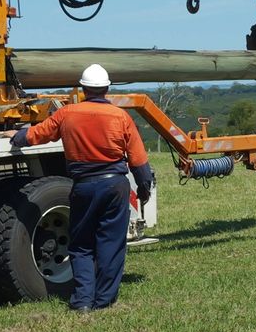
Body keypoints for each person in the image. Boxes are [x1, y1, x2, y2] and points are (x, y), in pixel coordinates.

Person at [11, 64, 155, 313]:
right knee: (111, 243)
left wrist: (18, 138)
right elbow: (138, 159)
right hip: (115, 186)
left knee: (81, 245)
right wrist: (144, 188)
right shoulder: (121, 117)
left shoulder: (68, 113)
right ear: (107, 88)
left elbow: (39, 134)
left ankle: (82, 301)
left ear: (84, 88)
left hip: (84, 186)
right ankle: (104, 300)